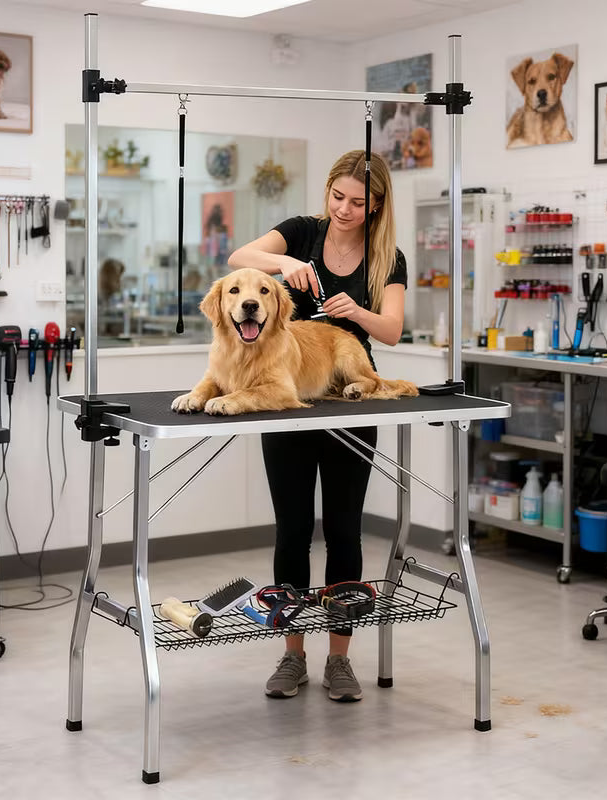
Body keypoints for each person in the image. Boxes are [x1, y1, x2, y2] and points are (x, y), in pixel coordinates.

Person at [227, 150, 407, 703]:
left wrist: (357, 313)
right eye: (338, 197)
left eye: (359, 203)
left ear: (377, 206)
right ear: (327, 191)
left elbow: (393, 331)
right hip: (287, 397)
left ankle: (340, 659)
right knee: (292, 532)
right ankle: (291, 653)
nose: (346, 210)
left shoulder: (386, 258)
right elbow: (240, 257)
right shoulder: (302, 232)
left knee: (346, 534)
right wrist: (281, 266)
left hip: (349, 400)